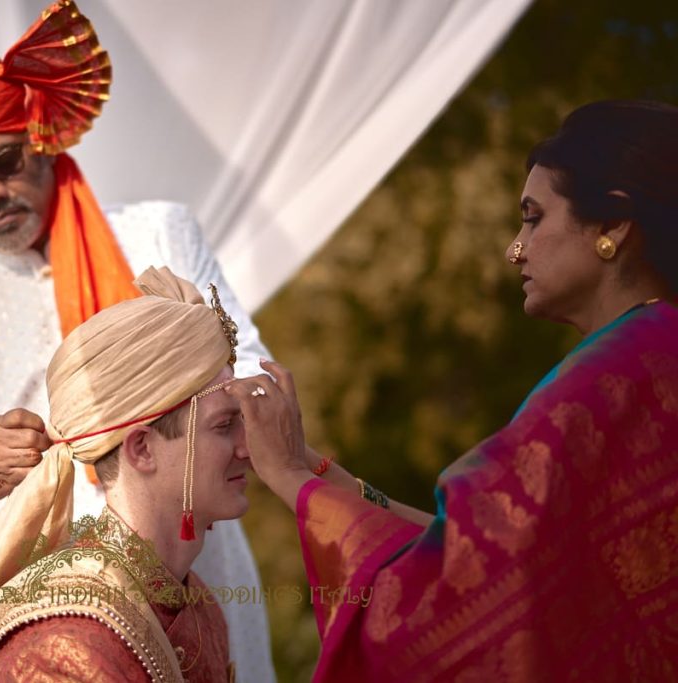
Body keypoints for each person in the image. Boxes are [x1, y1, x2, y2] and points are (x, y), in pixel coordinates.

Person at [0, 1, 273, 678]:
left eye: (4, 160)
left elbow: (255, 373)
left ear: (45, 142)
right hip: (45, 614)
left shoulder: (157, 236)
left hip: (196, 573)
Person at [226, 99, 678, 681]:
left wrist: (287, 479)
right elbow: (483, 551)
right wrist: (317, 474)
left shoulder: (611, 379)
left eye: (534, 217)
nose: (516, 248)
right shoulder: (653, 355)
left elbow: (458, 604)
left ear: (614, 225)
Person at [0, 267, 249, 682]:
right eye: (224, 426)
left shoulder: (200, 608)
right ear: (142, 448)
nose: (246, 448)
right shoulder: (63, 645)